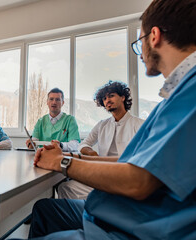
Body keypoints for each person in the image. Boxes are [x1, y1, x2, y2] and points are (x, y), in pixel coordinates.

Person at [29, 0, 196, 239]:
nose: (108, 101)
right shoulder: (174, 98)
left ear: (154, 36)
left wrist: (62, 163)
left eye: (139, 42)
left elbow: (137, 181)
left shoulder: (188, 93)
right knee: (44, 210)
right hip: (120, 210)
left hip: (134, 225)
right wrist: (68, 155)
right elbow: (128, 161)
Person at [58, 81, 144, 199]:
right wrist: (90, 152)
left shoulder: (140, 124)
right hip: (103, 175)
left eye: (111, 96)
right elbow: (83, 144)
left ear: (123, 97)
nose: (107, 100)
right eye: (104, 98)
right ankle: (83, 216)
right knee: (66, 187)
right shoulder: (102, 125)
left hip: (127, 179)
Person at [25, 88, 80, 152]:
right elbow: (34, 141)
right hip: (43, 157)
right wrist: (31, 144)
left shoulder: (70, 120)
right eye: (51, 99)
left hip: (62, 158)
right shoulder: (40, 122)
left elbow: (75, 144)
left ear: (63, 103)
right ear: (47, 102)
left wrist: (60, 145)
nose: (54, 102)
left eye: (58, 100)